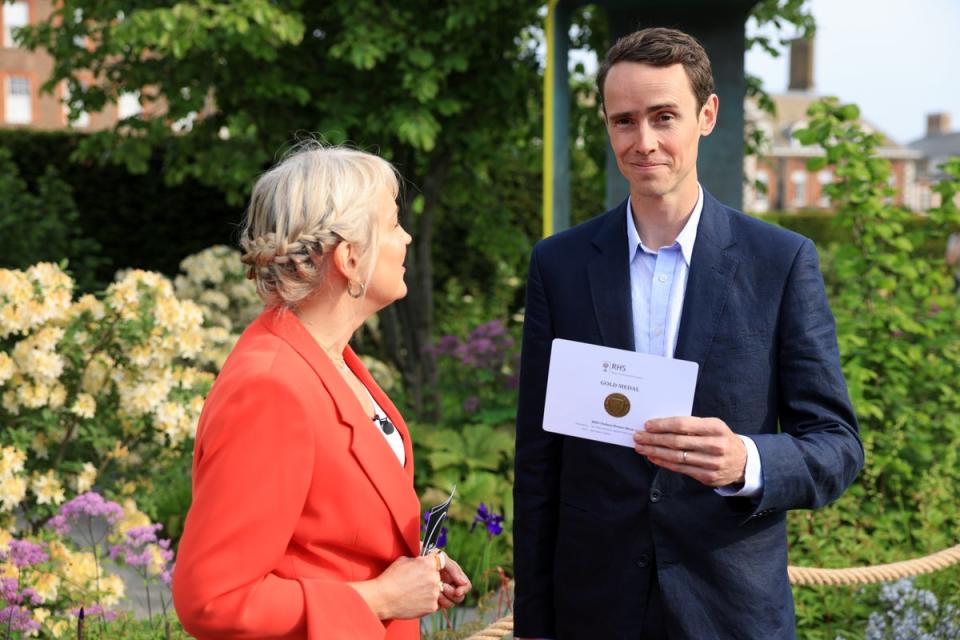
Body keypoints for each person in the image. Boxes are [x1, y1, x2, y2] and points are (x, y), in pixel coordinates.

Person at [513, 28, 863, 639]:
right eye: (624, 121)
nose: (643, 142)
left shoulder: (779, 262)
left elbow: (837, 445)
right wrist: (535, 626)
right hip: (594, 609)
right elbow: (540, 463)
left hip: (729, 610)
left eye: (663, 117)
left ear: (707, 115)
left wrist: (745, 460)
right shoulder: (560, 265)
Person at [173, 144, 470, 639]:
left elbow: (327, 534)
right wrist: (379, 598)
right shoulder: (271, 387)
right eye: (394, 224)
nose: (407, 237)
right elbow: (212, 599)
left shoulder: (330, 359)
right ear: (350, 258)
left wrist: (413, 572)